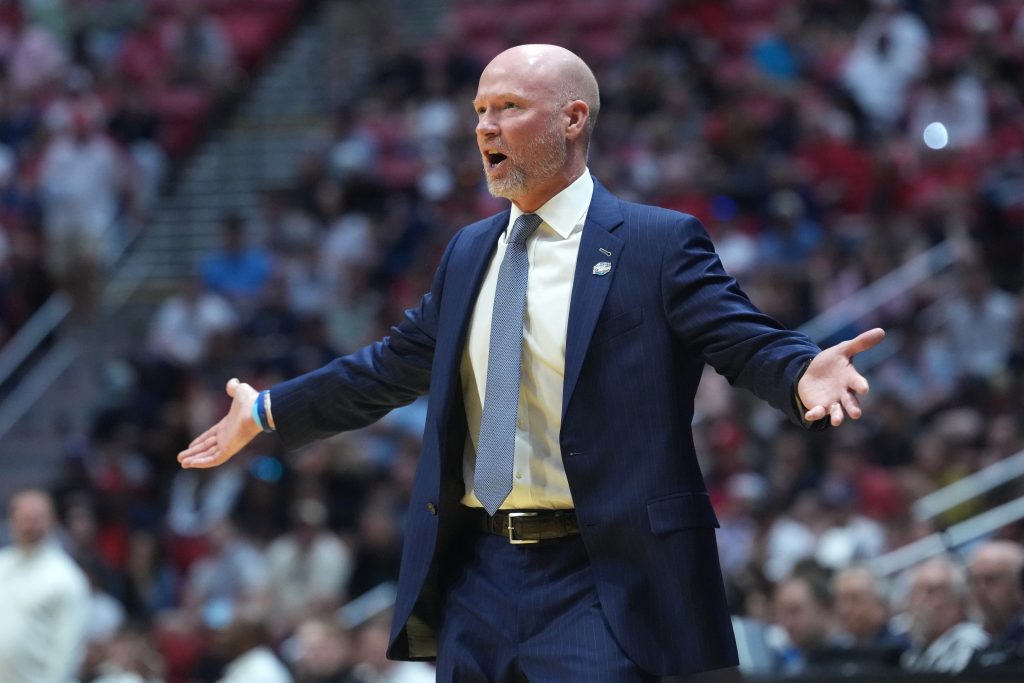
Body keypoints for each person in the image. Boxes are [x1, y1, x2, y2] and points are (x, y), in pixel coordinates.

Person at [179, 44, 884, 681]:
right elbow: (389, 366)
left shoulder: (655, 242)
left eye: (508, 108)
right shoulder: (467, 252)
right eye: (480, 110)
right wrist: (267, 411)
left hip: (602, 570)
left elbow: (742, 338)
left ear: (573, 119)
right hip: (476, 569)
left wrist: (798, 370)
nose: (485, 126)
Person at [0, 489, 90, 683]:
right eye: (22, 517)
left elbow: (68, 650)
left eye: (34, 518)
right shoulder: (2, 564)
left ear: (51, 521)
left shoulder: (65, 576)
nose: (27, 525)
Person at [900, 555, 989, 673]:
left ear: (960, 602)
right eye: (914, 592)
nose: (919, 601)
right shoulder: (913, 651)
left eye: (931, 591)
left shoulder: (970, 647)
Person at [967, 540, 1024, 669]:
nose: (980, 591)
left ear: (1019, 586)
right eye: (974, 581)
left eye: (991, 580)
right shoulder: (980, 649)